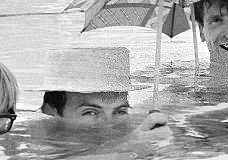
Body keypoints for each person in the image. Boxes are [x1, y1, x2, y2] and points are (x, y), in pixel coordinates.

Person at [40, 45, 168, 134]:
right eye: (91, 112)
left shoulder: (144, 126)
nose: (109, 125)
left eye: (120, 112)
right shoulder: (30, 145)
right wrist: (133, 144)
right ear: (50, 112)